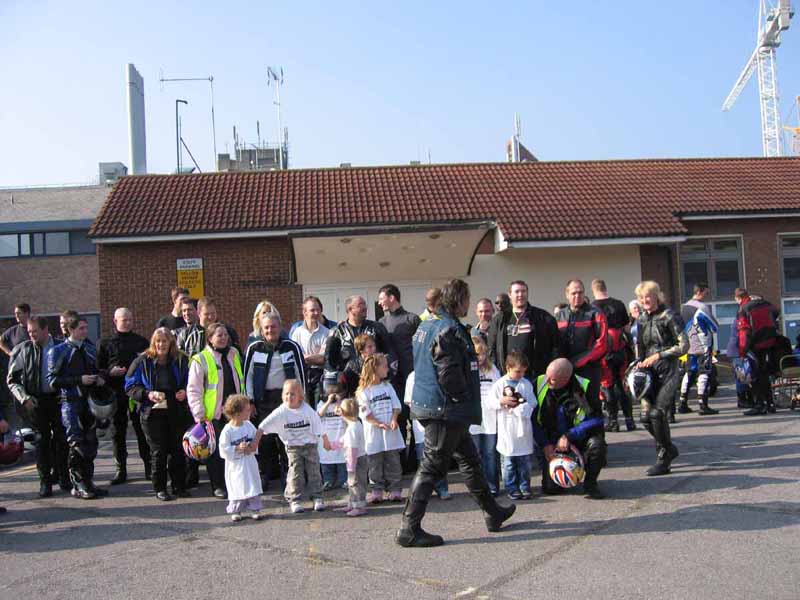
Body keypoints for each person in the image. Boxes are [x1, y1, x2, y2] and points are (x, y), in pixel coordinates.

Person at [397, 278, 515, 548]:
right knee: (431, 466)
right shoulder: (449, 329)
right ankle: (408, 528)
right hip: (444, 409)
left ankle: (492, 512)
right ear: (459, 300)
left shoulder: (427, 324)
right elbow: (448, 374)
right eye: (467, 299)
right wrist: (462, 399)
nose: (469, 304)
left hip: (437, 406)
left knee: (470, 461)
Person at [125, 328, 191, 501]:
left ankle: (179, 486)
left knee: (177, 450)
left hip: (176, 409)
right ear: (153, 342)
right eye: (158, 341)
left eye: (165, 341)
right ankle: (160, 488)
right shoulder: (141, 361)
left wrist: (185, 391)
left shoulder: (181, 360)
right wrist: (147, 394)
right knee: (158, 452)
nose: (161, 344)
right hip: (152, 411)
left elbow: (191, 381)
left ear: (171, 343)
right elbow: (130, 386)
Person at [243, 311, 306, 489]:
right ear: (261, 329)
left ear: (280, 327)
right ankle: (265, 475)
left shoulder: (291, 347)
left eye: (274, 326)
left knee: (287, 438)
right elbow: (247, 377)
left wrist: (302, 399)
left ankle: (291, 476)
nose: (270, 330)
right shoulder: (254, 348)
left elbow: (301, 374)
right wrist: (250, 401)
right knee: (265, 439)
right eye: (267, 327)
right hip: (263, 400)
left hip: (287, 400)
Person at [47, 315, 107, 499]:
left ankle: (88, 482)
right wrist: (79, 380)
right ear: (71, 329)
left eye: (86, 328)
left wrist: (99, 378)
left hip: (89, 402)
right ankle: (78, 484)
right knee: (77, 445)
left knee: (91, 444)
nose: (84, 331)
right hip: (71, 402)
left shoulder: (89, 349)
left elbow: (96, 370)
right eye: (81, 328)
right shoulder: (58, 351)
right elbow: (53, 381)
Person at [7, 316, 68, 496]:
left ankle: (64, 477)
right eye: (29, 332)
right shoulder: (23, 350)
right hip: (35, 402)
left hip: (58, 400)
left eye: (35, 331)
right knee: (41, 442)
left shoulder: (61, 348)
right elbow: (12, 380)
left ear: (45, 330)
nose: (31, 335)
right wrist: (24, 398)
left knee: (62, 440)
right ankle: (45, 482)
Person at [533, 358, 607, 498]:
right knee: (551, 489)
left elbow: (597, 419)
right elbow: (532, 420)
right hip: (551, 440)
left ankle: (590, 484)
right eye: (547, 376)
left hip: (578, 438)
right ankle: (565, 477)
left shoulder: (584, 386)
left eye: (552, 379)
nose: (547, 381)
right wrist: (545, 444)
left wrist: (569, 435)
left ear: (565, 379)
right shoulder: (538, 383)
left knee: (597, 444)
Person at [635, 281, 688, 476]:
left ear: (657, 296)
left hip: (669, 371)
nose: (645, 300)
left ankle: (664, 457)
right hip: (649, 374)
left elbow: (684, 346)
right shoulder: (641, 319)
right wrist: (637, 364)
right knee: (645, 417)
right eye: (641, 298)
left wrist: (660, 355)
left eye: (648, 296)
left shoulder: (669, 316)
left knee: (657, 414)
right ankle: (669, 448)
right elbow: (640, 347)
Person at [254, 379, 329, 514]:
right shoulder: (281, 412)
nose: (289, 397)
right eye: (286, 394)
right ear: (282, 396)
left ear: (300, 396)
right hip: (293, 448)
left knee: (314, 472)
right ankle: (294, 499)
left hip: (310, 446)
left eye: (293, 394)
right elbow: (262, 427)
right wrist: (255, 443)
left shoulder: (307, 410)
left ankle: (317, 497)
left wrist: (326, 441)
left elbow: (319, 426)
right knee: (295, 473)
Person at [187, 322, 244, 498]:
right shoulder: (200, 359)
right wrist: (199, 414)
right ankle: (218, 485)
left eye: (225, 335)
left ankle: (234, 483)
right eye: (219, 335)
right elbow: (194, 389)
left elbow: (240, 380)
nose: (223, 338)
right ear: (210, 338)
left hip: (235, 411)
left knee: (236, 448)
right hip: (214, 414)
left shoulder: (234, 353)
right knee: (216, 451)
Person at [97, 307, 150, 485]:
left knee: (142, 429)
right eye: (123, 320)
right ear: (115, 321)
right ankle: (121, 470)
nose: (127, 323)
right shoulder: (105, 343)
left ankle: (149, 467)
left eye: (130, 319)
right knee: (117, 432)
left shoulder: (141, 342)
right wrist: (109, 373)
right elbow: (98, 369)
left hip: (136, 393)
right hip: (116, 392)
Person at [378, 284, 420, 473]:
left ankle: (416, 461)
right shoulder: (381, 323)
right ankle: (401, 464)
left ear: (392, 297)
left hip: (413, 380)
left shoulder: (412, 319)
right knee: (399, 420)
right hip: (392, 381)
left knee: (416, 421)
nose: (380, 302)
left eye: (382, 298)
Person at [487, 280, 559, 382]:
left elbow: (556, 346)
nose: (520, 295)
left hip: (535, 376)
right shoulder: (499, 320)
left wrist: (551, 370)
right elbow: (491, 349)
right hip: (507, 377)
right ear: (510, 295)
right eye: (517, 292)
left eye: (523, 291)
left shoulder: (543, 318)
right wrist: (497, 373)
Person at [357, 353, 405, 503]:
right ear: (375, 369)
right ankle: (376, 490)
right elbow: (365, 413)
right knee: (374, 463)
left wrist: (393, 419)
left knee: (393, 461)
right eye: (384, 366)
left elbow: (396, 406)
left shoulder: (388, 387)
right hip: (373, 433)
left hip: (390, 431)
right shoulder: (364, 391)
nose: (387, 369)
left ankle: (395, 489)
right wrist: (378, 423)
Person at [555, 279, 608, 410]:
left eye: (580, 292)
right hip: (565, 369)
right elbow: (554, 342)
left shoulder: (596, 313)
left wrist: (577, 361)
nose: (577, 296)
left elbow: (602, 344)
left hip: (589, 369)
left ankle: (596, 424)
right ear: (567, 294)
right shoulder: (559, 315)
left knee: (591, 406)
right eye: (573, 293)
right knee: (568, 405)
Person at [490, 352, 536, 500]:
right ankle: (511, 487)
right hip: (507, 429)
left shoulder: (526, 384)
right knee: (509, 462)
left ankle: (524, 486)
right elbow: (490, 402)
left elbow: (533, 402)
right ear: (508, 368)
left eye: (523, 372)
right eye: (518, 371)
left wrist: (524, 407)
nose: (521, 374)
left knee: (525, 462)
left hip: (523, 429)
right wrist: (501, 401)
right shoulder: (499, 385)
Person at [592, 279, 636, 432]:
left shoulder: (592, 308)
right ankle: (629, 420)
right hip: (620, 350)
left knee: (607, 385)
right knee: (622, 385)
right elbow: (627, 329)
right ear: (605, 288)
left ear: (593, 290)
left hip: (604, 352)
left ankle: (613, 421)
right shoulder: (619, 304)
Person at [404, 371, 450, 500]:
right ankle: (424, 491)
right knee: (423, 460)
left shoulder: (438, 372)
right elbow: (409, 401)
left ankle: (442, 488)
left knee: (439, 456)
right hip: (420, 426)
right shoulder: (412, 376)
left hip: (438, 422)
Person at [734, 288, 780, 416]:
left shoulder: (744, 309)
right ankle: (770, 403)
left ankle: (759, 405)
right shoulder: (767, 304)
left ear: (738, 298)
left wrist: (742, 351)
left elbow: (744, 332)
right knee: (764, 374)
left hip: (755, 344)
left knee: (754, 375)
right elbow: (776, 312)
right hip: (770, 341)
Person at [219, 394, 264, 522]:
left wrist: (251, 447)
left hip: (249, 462)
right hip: (235, 466)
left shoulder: (248, 425)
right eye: (247, 410)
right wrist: (237, 448)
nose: (250, 412)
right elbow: (223, 450)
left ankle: (255, 509)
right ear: (238, 413)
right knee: (237, 486)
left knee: (252, 484)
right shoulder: (227, 431)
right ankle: (236, 510)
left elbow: (255, 439)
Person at [325, 295, 394, 376]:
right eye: (360, 305)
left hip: (374, 378)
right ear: (350, 309)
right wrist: (340, 377)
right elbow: (329, 362)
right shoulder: (337, 332)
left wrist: (387, 375)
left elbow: (389, 353)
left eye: (365, 304)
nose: (365, 307)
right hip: (349, 380)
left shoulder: (377, 327)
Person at [679, 283, 720, 415]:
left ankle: (682, 403)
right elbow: (715, 326)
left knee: (689, 373)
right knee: (704, 372)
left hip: (689, 345)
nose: (707, 296)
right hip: (703, 346)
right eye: (706, 293)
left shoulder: (684, 307)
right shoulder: (702, 307)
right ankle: (703, 404)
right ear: (699, 292)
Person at [469, 336, 501, 496]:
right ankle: (477, 487)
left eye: (482, 354)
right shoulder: (467, 370)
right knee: (475, 454)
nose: (479, 357)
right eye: (476, 354)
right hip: (473, 419)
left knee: (490, 454)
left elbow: (499, 390)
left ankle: (492, 485)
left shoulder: (492, 369)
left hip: (490, 418)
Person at [328, 397, 368, 517]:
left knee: (355, 484)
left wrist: (351, 467)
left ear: (343, 413)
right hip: (359, 458)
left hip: (356, 461)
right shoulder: (356, 424)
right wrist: (333, 445)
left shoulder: (352, 429)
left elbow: (352, 449)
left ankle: (359, 507)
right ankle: (352, 503)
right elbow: (344, 440)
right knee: (353, 484)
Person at [290, 296, 330, 406]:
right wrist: (314, 357)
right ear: (305, 312)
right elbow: (294, 357)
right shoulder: (297, 333)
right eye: (312, 310)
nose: (316, 313)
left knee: (319, 409)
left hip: (320, 378)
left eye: (318, 310)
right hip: (301, 376)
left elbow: (323, 359)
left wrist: (304, 357)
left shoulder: (327, 333)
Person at [317, 384, 347, 491]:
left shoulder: (344, 403)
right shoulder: (321, 404)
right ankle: (328, 481)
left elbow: (346, 415)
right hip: (327, 440)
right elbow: (319, 415)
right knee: (326, 461)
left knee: (342, 461)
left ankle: (343, 481)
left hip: (341, 438)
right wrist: (328, 402)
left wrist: (338, 402)